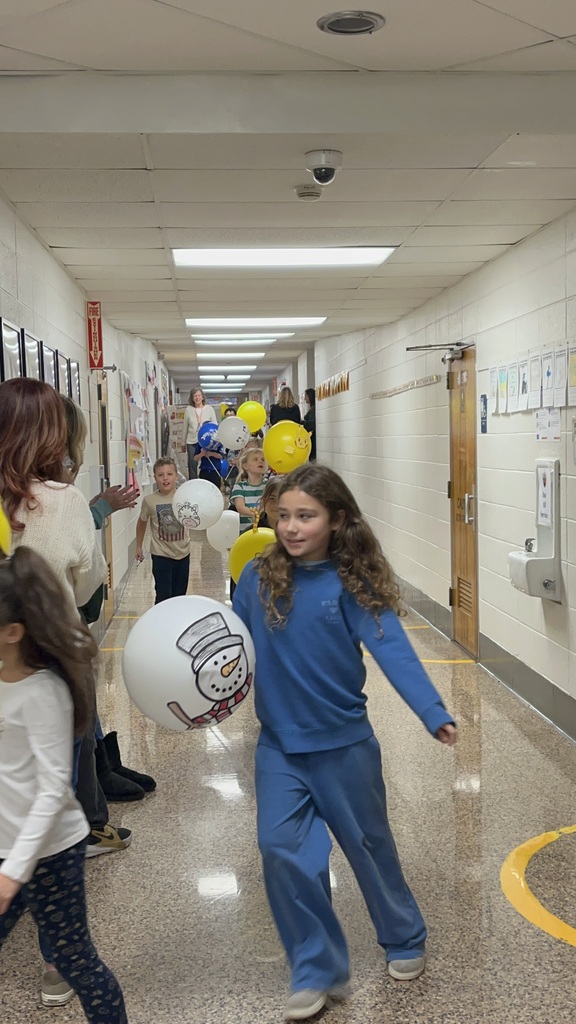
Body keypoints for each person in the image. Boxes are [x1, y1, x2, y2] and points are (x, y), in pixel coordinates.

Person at [232, 464, 457, 1021]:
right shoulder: (256, 578)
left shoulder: (352, 583)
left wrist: (432, 712)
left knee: (370, 848)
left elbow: (395, 650)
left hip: (345, 748)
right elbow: (229, 646)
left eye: (305, 516)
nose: (290, 527)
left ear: (336, 520)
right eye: (282, 515)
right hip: (279, 748)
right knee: (282, 851)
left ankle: (403, 937)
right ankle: (314, 967)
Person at [0, 546, 129, 1024]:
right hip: (8, 852)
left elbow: (55, 791)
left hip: (51, 852)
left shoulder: (44, 693)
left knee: (76, 961)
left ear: (12, 633)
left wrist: (14, 871)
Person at [136, 457, 192, 603]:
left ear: (176, 476)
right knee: (163, 595)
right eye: (161, 475)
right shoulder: (150, 500)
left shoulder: (185, 496)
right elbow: (141, 523)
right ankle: (161, 623)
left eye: (169, 474)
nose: (165, 478)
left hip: (183, 553)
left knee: (179, 596)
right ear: (155, 478)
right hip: (161, 555)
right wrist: (138, 546)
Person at [230, 449, 267, 534]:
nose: (260, 462)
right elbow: (240, 507)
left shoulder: (268, 485)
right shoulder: (240, 486)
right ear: (245, 466)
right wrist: (259, 514)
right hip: (245, 533)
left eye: (263, 459)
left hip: (264, 531)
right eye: (255, 459)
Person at [183, 388, 216, 480]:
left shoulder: (209, 409)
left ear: (202, 397)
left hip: (206, 440)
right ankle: (193, 482)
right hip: (191, 440)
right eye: (195, 396)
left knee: (207, 461)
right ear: (192, 398)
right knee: (192, 463)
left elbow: (214, 425)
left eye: (198, 395)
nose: (197, 397)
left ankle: (206, 480)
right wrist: (183, 443)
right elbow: (185, 427)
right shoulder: (188, 410)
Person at [303, 388, 316, 462]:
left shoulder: (313, 410)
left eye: (306, 396)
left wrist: (302, 423)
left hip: (312, 438)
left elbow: (311, 424)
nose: (304, 398)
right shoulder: (312, 409)